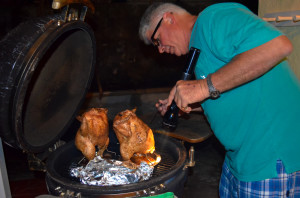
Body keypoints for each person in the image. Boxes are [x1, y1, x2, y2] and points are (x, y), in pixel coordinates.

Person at [139, 2, 300, 197]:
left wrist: (202, 87)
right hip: (238, 159)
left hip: (269, 157)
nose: (160, 50)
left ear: (169, 18)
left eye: (157, 40)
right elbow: (228, 89)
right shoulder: (199, 48)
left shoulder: (212, 19)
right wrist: (189, 104)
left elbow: (278, 46)